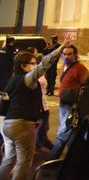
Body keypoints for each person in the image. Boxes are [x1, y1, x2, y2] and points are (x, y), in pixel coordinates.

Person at [0, 39, 68, 180]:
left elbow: (5, 104)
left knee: (8, 159)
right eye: (32, 63)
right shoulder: (27, 79)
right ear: (23, 65)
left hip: (8, 125)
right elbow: (44, 65)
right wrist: (60, 48)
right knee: (24, 162)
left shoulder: (12, 80)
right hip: (22, 125)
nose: (35, 65)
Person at [48, 44, 89, 160]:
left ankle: (52, 158)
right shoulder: (64, 66)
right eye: (64, 54)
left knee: (63, 132)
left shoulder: (80, 68)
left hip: (71, 104)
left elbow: (86, 86)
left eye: (70, 54)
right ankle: (75, 156)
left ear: (75, 55)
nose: (66, 56)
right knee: (70, 131)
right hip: (63, 103)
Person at [27, 48, 53, 151]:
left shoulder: (38, 75)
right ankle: (52, 150)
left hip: (42, 106)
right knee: (41, 132)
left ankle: (39, 145)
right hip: (40, 108)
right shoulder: (32, 76)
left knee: (43, 129)